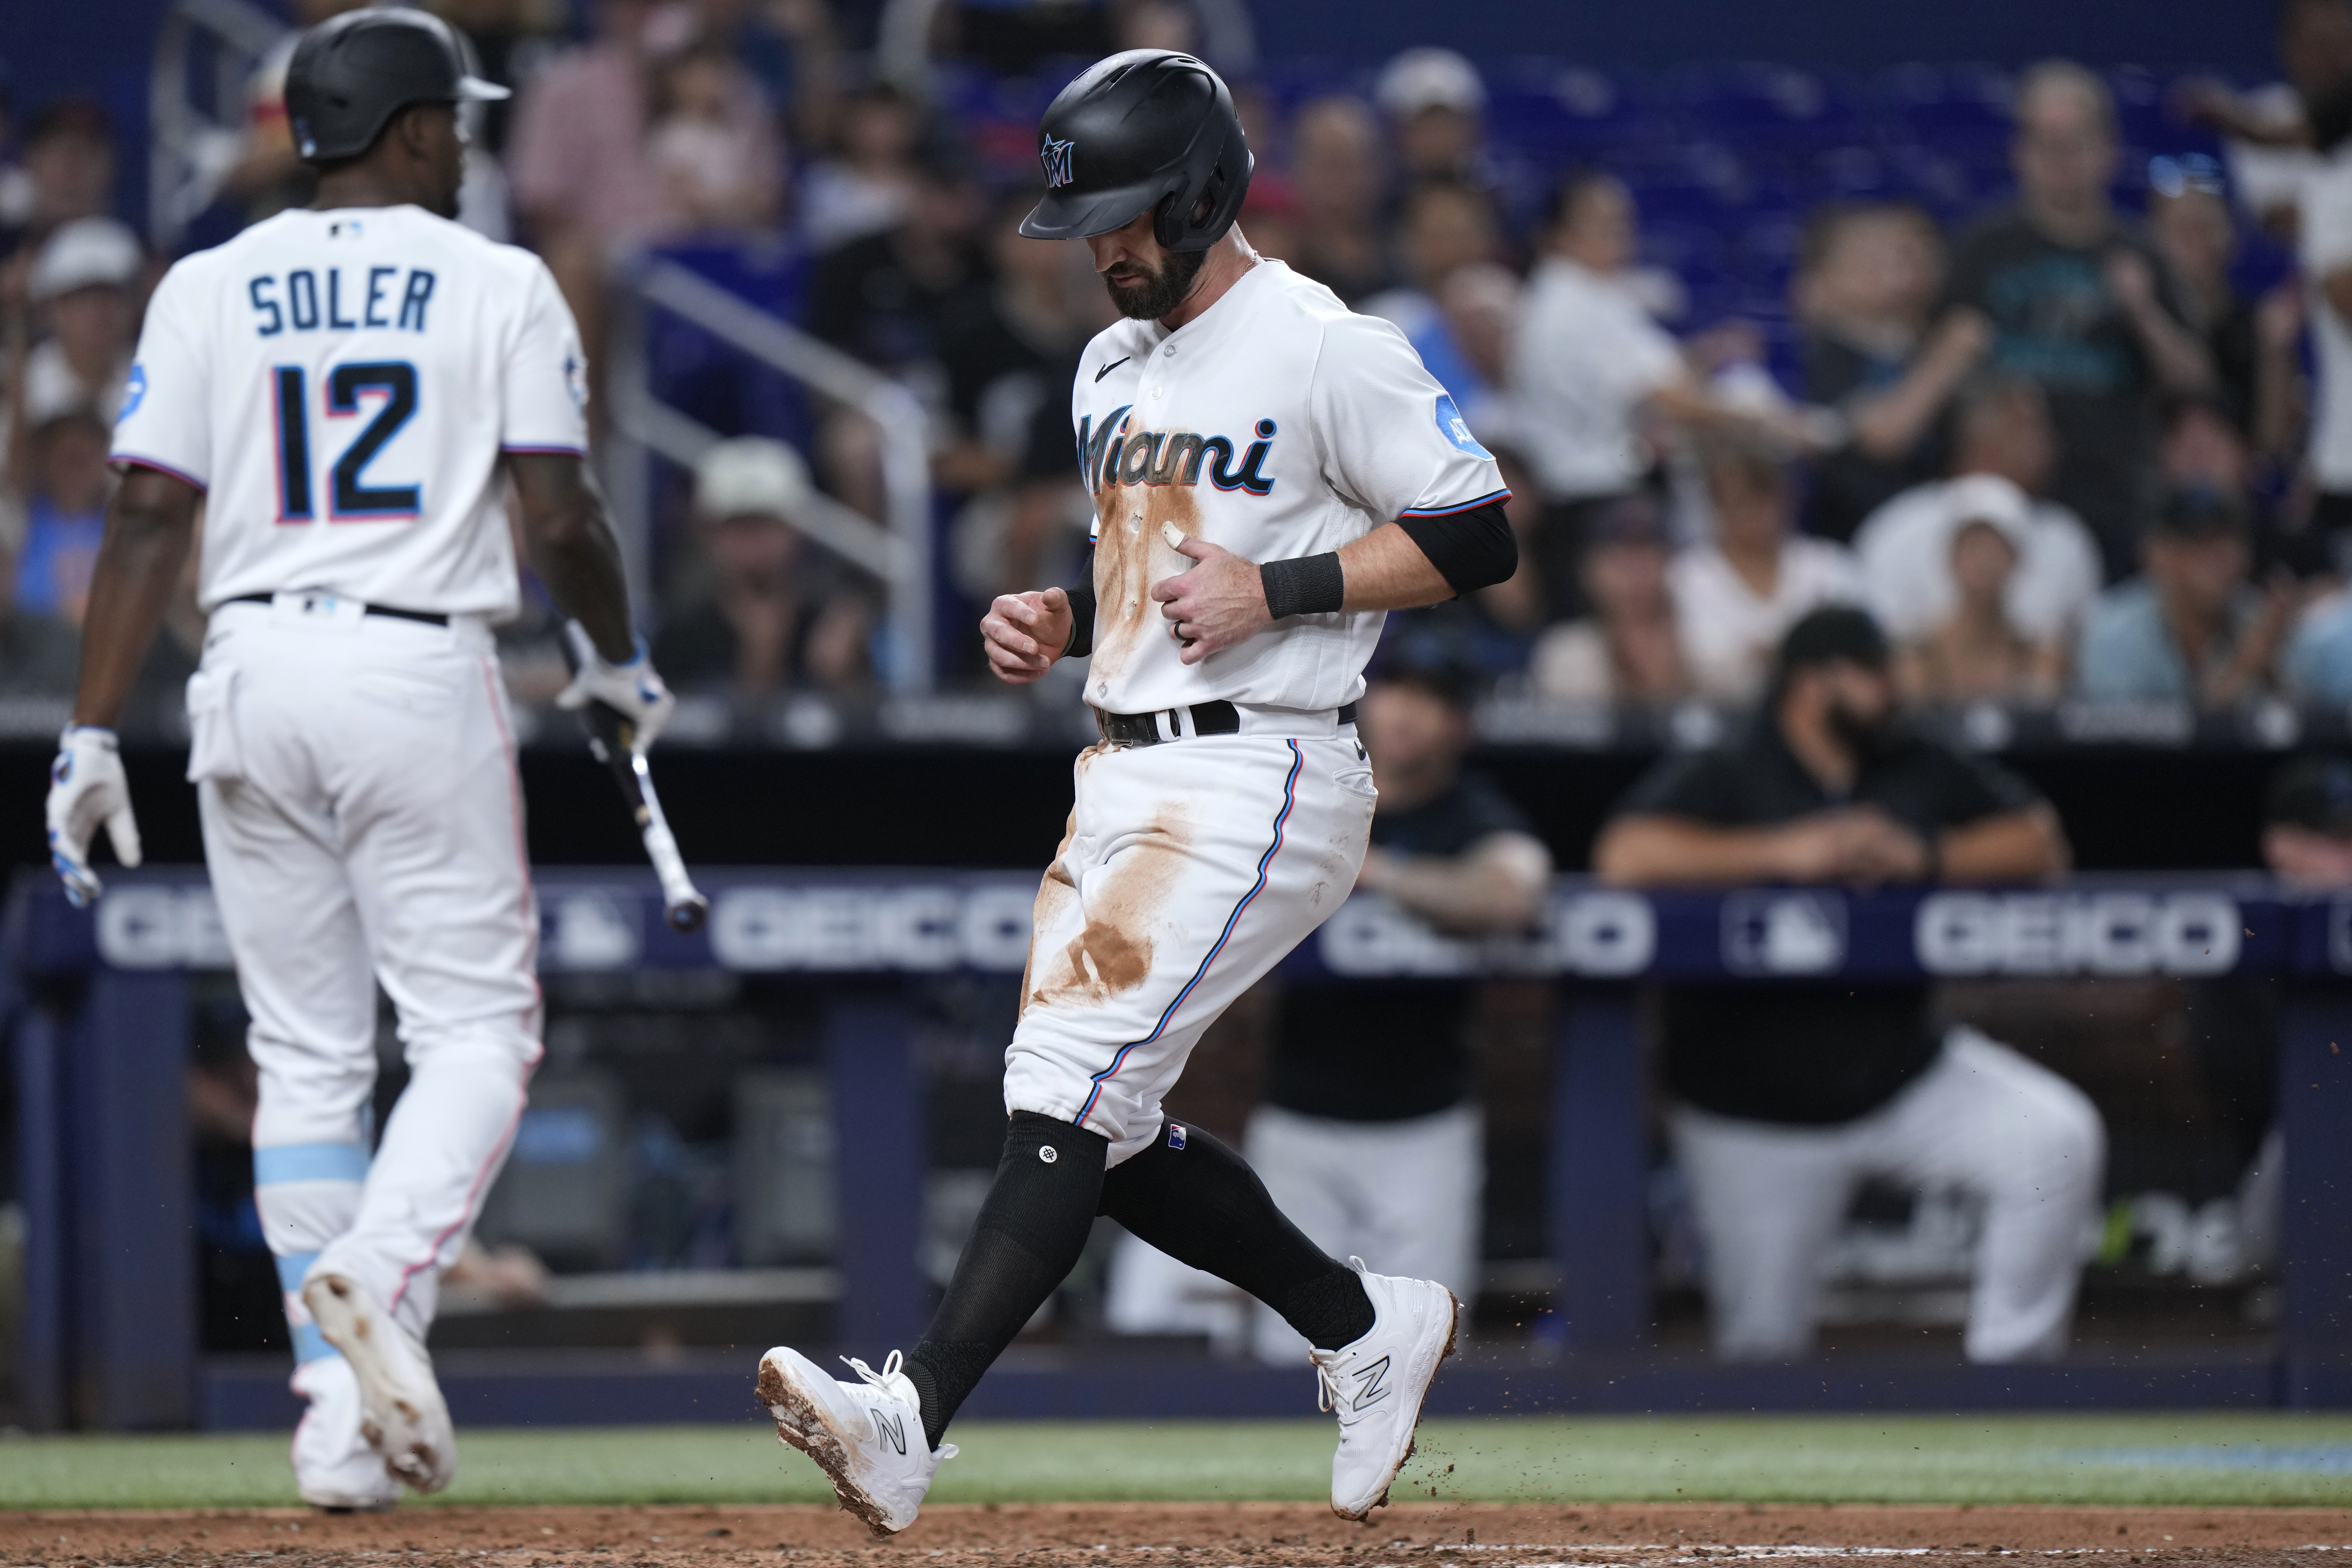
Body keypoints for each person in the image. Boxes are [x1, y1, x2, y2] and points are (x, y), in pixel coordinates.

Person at [756, 48, 1517, 1535]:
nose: (1102, 247)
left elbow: (1478, 532)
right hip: (1122, 757)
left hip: (1269, 763)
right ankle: (1362, 1325)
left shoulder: (1318, 342)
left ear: (1203, 191)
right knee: (1086, 1121)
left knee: (1066, 1092)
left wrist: (1283, 586)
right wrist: (1052, 619)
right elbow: (1163, 572)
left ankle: (908, 1415)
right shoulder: (1108, 364)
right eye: (1083, 219)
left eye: (1124, 216)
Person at [43, 11, 674, 1507]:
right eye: (448, 121)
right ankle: (381, 1284)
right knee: (473, 1034)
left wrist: (87, 726)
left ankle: (337, 1428)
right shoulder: (497, 280)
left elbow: (141, 519)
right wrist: (614, 659)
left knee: (304, 1062)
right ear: (398, 131)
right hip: (411, 659)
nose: (463, 143)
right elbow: (565, 514)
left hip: (246, 664)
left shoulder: (204, 282)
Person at [1594, 607, 2100, 1364]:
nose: (1892, 689)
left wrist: (1923, 853)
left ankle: (2011, 1381)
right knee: (1762, 1353)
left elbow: (2039, 841)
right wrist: (1781, 851)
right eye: (1872, 674)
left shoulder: (1913, 758)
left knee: (2054, 1140)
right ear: (1812, 681)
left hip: (1902, 1075)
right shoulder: (1737, 762)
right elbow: (1626, 854)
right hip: (1753, 1112)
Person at [1247, 649, 1550, 1362]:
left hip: (1424, 1127)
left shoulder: (1469, 813)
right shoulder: (1313, 790)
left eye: (1431, 698)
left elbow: (1511, 893)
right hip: (1297, 1121)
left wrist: (1375, 869)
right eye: (1394, 692)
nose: (1407, 711)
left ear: (1459, 725)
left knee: (1425, 1349)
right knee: (1286, 1349)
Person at [1509, 172, 1822, 626]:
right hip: (1593, 505)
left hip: (1587, 498)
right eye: (1600, 223)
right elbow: (1671, 400)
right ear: (1556, 236)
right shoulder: (1577, 300)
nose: (1619, 234)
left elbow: (1634, 380)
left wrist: (1702, 357)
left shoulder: (1571, 295)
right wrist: (1774, 422)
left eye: (1622, 221)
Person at [1942, 61, 2213, 578]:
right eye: (2046, 141)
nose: (2061, 158)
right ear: (2018, 153)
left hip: (2113, 493)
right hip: (2001, 498)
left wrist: (2143, 313)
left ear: (2108, 151)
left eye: (2076, 141)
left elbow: (2193, 380)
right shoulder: (1981, 250)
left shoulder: (2140, 251)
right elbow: (1942, 371)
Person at [1852, 375, 2103, 658]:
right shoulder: (1899, 527)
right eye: (2031, 429)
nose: (2052, 445)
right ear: (1983, 436)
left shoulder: (2065, 538)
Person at [1793, 203, 1989, 543]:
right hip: (1855, 531)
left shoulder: (1915, 344)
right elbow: (1882, 437)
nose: (1894, 275)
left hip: (1940, 526)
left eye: (1901, 261)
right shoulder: (1833, 352)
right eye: (1874, 262)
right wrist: (1947, 358)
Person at [653, 435, 878, 698]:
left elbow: (880, 727)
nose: (754, 545)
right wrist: (758, 662)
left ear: (797, 530)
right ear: (708, 534)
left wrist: (842, 680)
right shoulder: (682, 634)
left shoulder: (830, 624)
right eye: (738, 526)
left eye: (767, 524)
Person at [1670, 438, 1861, 703]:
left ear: (1788, 500)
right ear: (1715, 505)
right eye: (1739, 501)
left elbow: (1861, 653)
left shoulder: (1831, 566)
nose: (1753, 514)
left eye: (1763, 499)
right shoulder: (1682, 577)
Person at [2074, 485, 2295, 705]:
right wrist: (2240, 674)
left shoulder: (2259, 620)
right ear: (2157, 555)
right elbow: (2123, 734)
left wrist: (2274, 673)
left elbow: (2304, 728)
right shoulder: (2113, 631)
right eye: (2202, 544)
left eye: (2231, 543)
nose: (2223, 559)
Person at [2148, 167, 2304, 472]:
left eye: (2208, 227)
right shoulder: (2135, 316)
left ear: (2230, 237)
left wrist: (2274, 353)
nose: (2198, 242)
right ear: (2154, 239)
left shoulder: (2257, 323)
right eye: (2183, 230)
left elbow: (2272, 442)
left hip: (2235, 487)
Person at [1892, 501, 2065, 705]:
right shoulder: (1919, 657)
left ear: (2017, 561)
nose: (1984, 563)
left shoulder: (2040, 659)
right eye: (1973, 548)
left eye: (1995, 550)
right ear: (1951, 559)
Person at [1528, 492, 1688, 704]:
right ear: (1589, 570)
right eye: (1618, 561)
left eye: (1646, 557)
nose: (1635, 574)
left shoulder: (1710, 650)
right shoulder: (1566, 655)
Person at [1285, 98, 1392, 305]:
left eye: (1350, 164)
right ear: (1299, 169)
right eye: (1328, 164)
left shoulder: (1404, 248)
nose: (1339, 179)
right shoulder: (1281, 258)